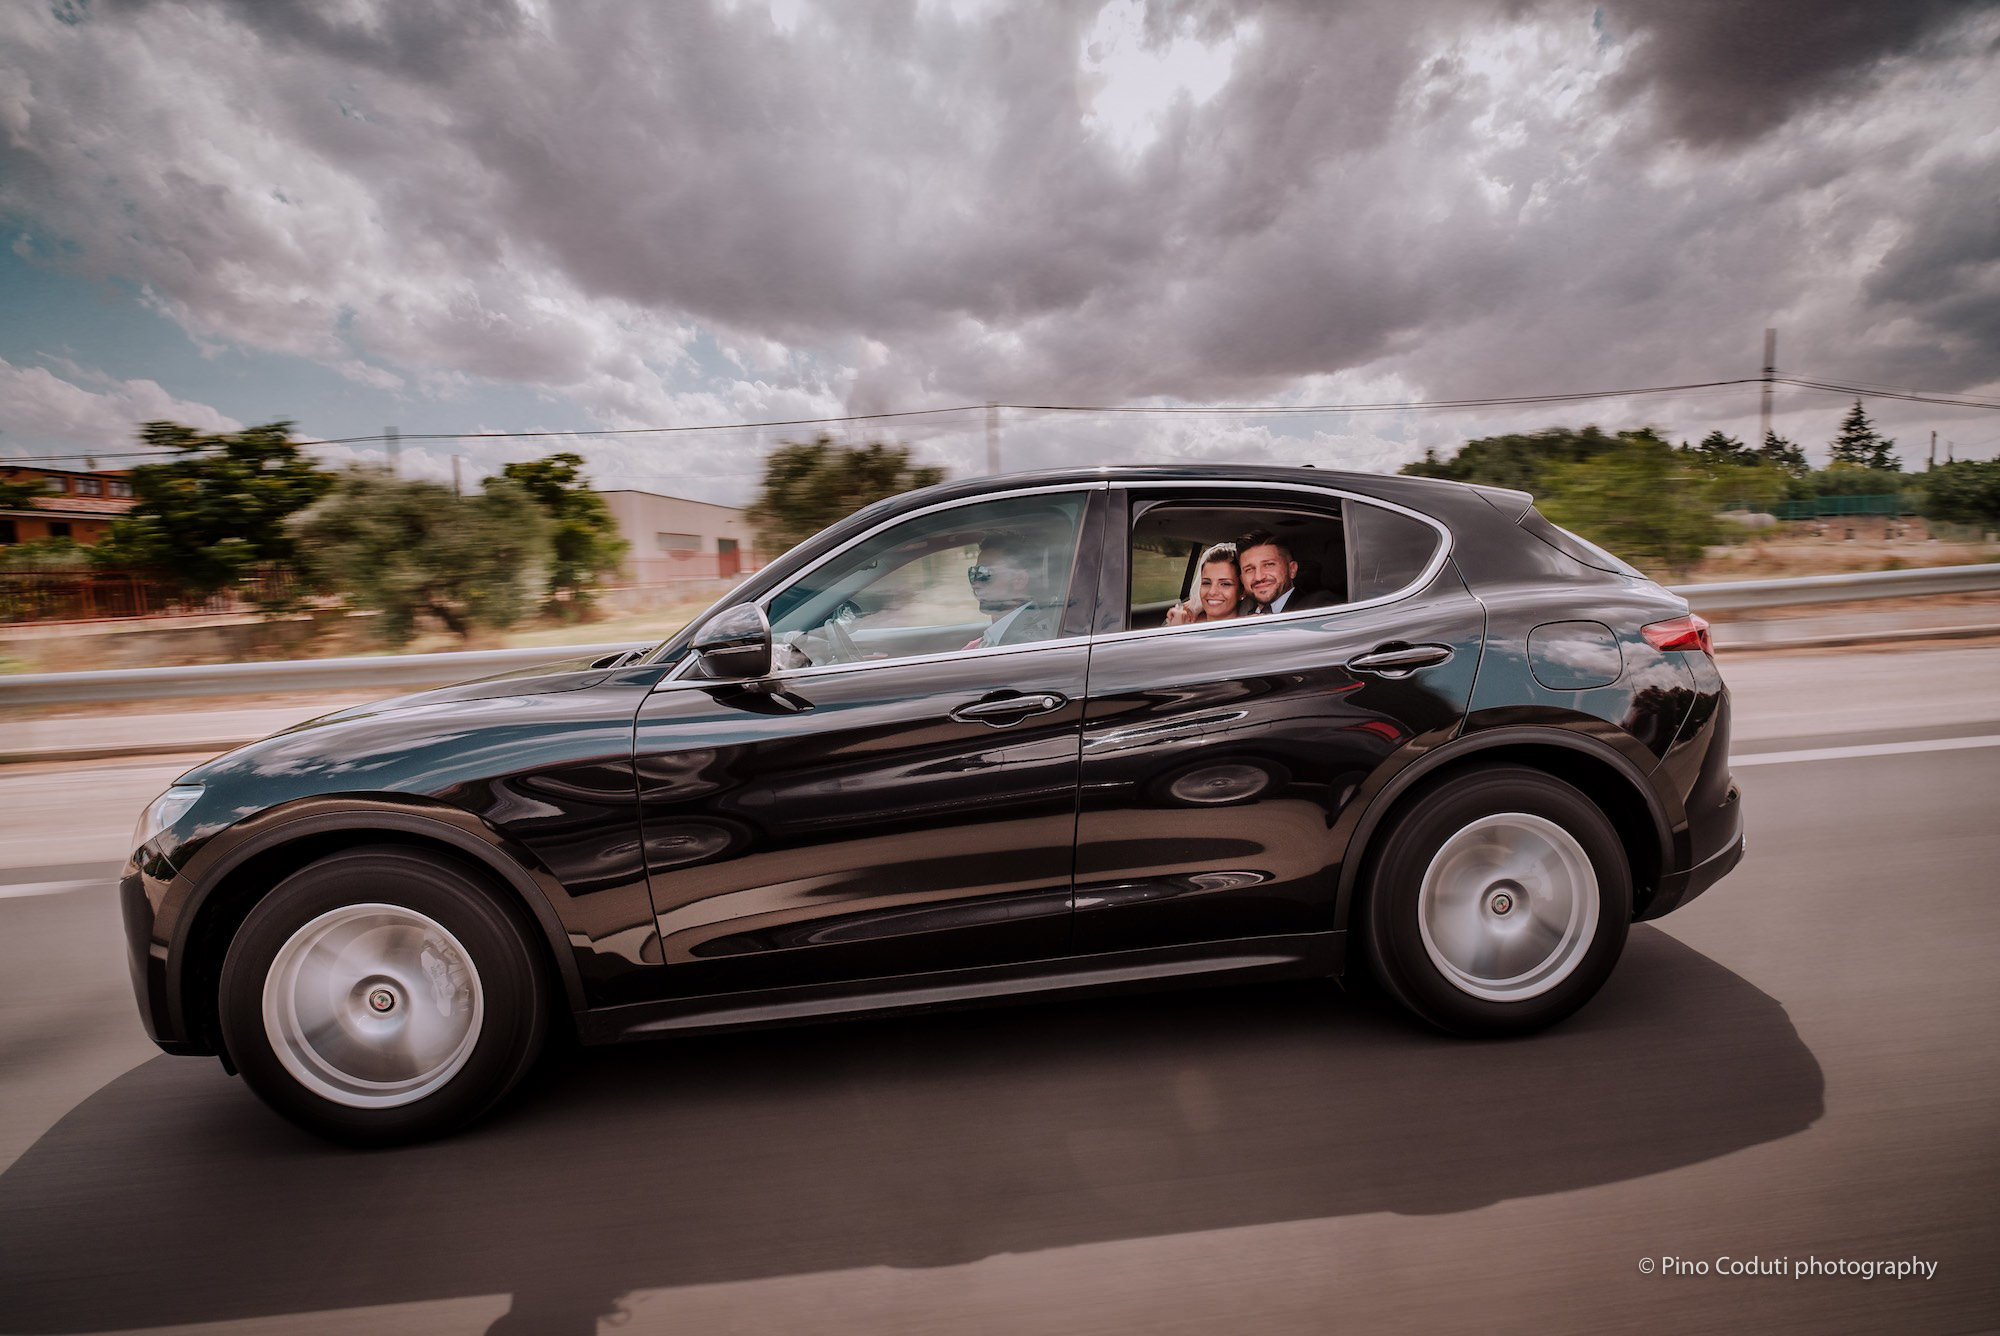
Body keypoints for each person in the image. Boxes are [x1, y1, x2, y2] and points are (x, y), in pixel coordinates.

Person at [968, 529, 1061, 647]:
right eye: (973, 573)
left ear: (1019, 580)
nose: (975, 583)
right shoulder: (1001, 635)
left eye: (984, 573)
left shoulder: (1025, 644)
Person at [1236, 529, 1337, 614]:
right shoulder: (1244, 618)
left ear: (1292, 569)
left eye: (1269, 565)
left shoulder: (1319, 606)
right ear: (1242, 579)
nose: (1258, 577)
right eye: (1249, 569)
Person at [1164, 542, 1247, 625]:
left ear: (1242, 591)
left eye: (1225, 584)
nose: (1212, 592)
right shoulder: (1181, 622)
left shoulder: (1249, 631)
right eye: (1206, 583)